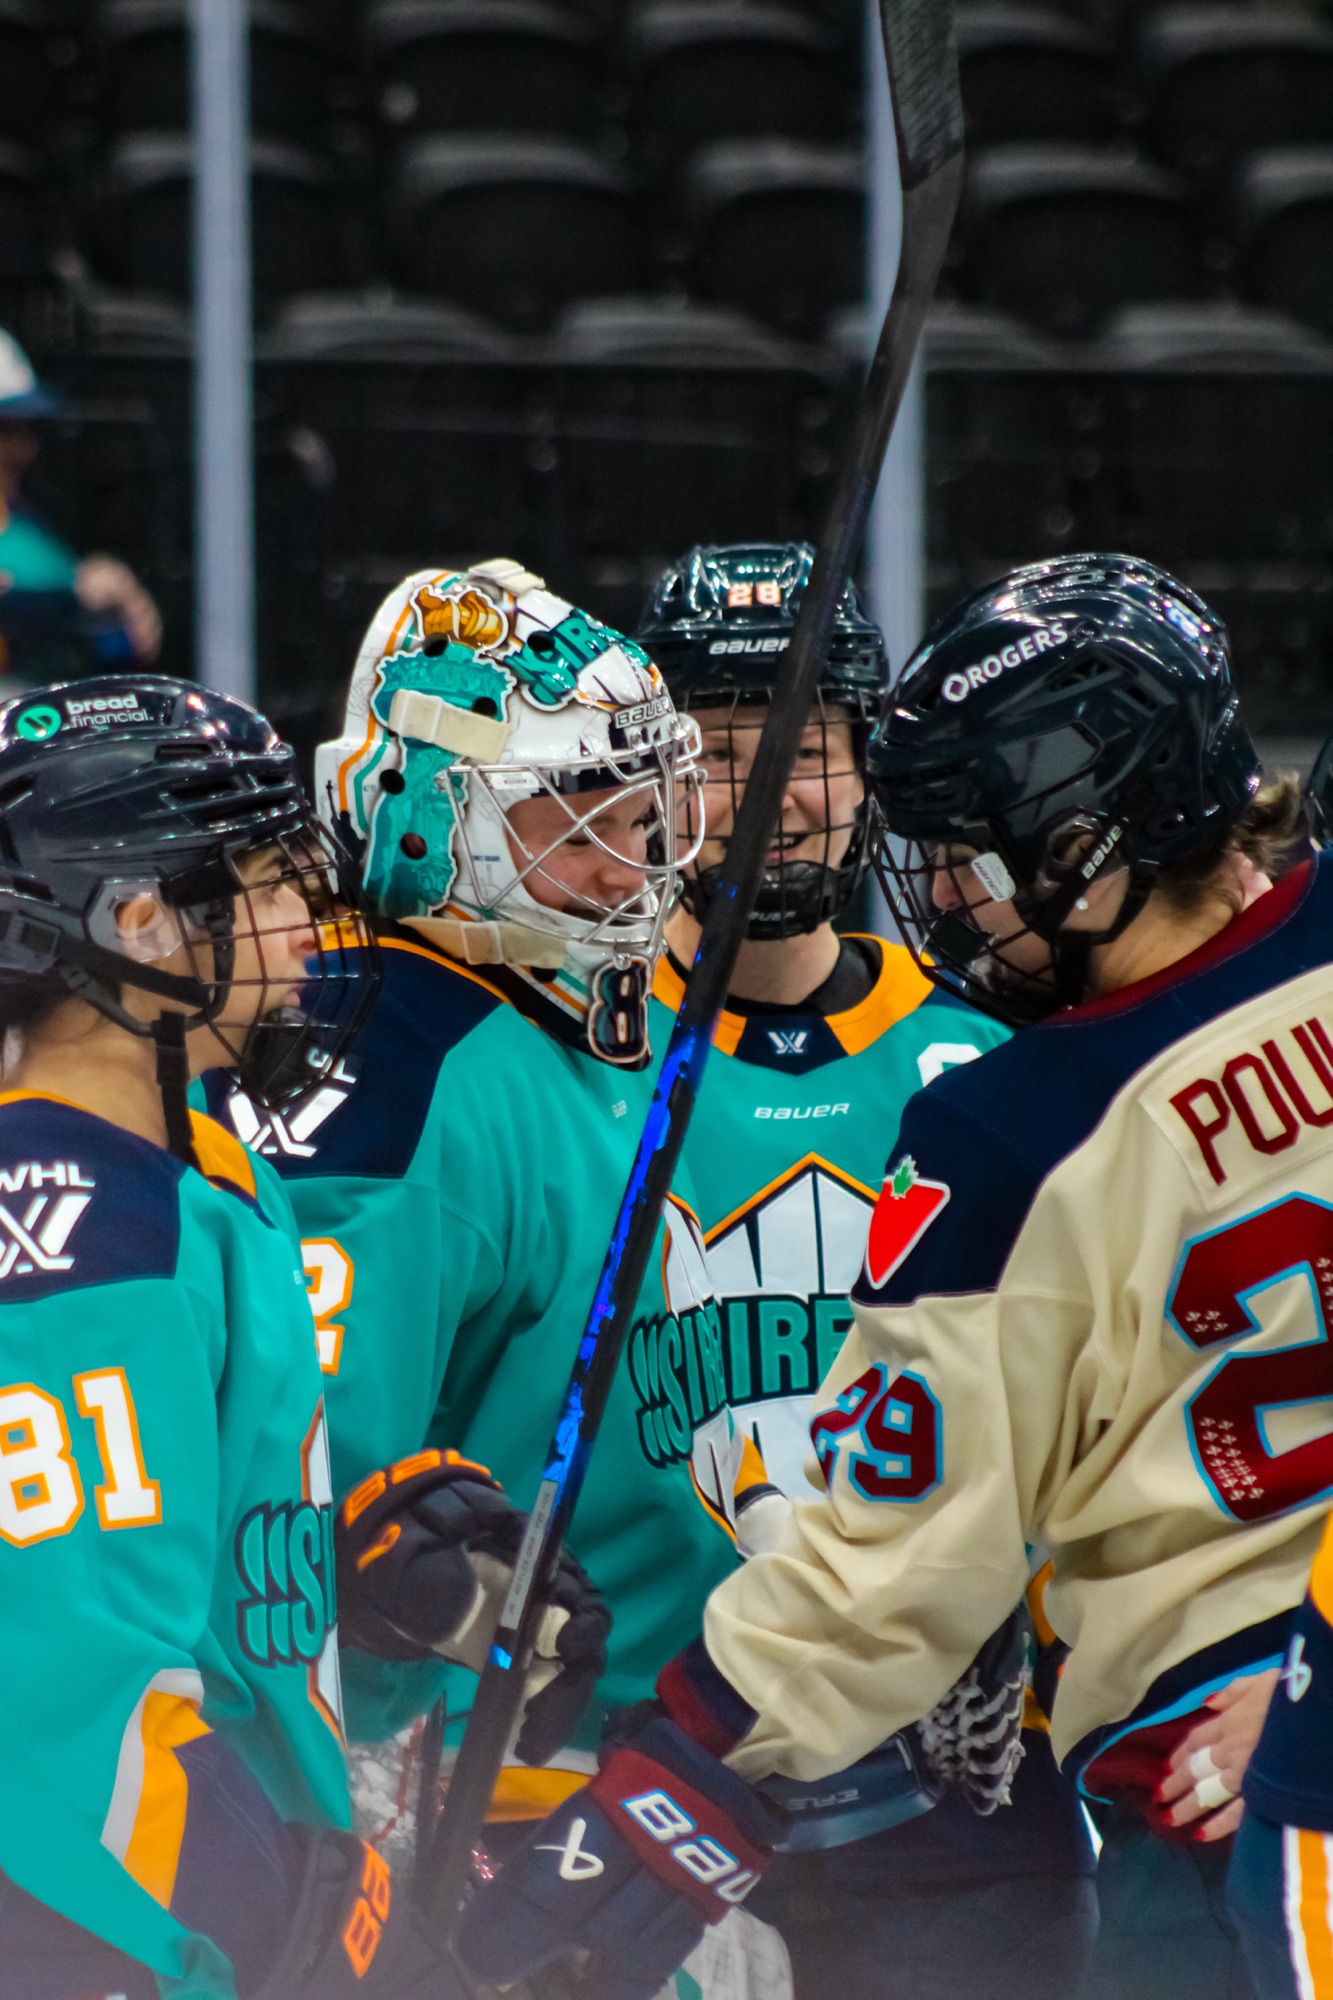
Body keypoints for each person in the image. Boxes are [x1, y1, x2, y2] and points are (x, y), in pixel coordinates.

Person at [455, 552, 1329, 2000]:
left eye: (974, 853)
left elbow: (880, 1568)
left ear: (1080, 838)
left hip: (1210, 1803)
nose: (948, 897)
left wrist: (673, 1777)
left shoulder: (1008, 1131)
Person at [198, 564, 751, 1902]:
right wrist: (375, 1791)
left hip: (644, 1748)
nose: (634, 846)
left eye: (642, 800)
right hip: (474, 1784)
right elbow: (328, 1501)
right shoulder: (389, 1071)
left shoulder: (556, 1013)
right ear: (428, 819)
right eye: (576, 810)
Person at [637, 541, 1097, 1999]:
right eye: (714, 744)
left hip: (960, 1818)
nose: (773, 786)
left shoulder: (984, 1072)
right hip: (670, 1778)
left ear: (866, 763)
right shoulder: (578, 1077)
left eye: (807, 741)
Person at [0, 671, 479, 2000]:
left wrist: (345, 1576)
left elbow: (172, 1563)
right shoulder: (71, 1222)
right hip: (105, 1941)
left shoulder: (200, 1155)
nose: (303, 934)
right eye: (264, 888)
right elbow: (54, 1681)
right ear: (139, 923)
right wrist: (284, 1916)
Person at [0, 329, 161, 680]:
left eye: (25, 430)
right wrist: (69, 598)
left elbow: (112, 649)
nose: (23, 449)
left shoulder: (37, 538)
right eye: (5, 431)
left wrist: (114, 600)